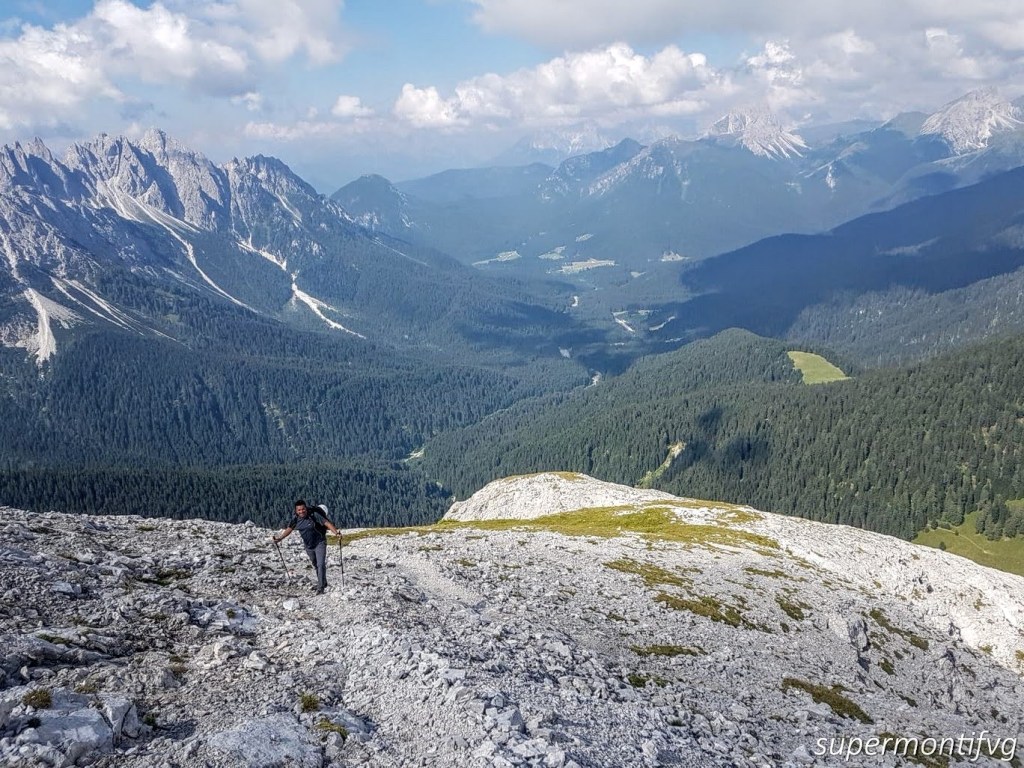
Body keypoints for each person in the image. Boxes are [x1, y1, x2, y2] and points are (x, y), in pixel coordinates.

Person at [272, 499, 340, 594]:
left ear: (306, 508)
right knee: (316, 564)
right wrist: (280, 538)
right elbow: (289, 529)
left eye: (303, 509)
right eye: (299, 510)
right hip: (308, 546)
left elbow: (327, 523)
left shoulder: (314, 515)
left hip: (320, 542)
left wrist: (336, 533)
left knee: (320, 564)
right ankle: (323, 582)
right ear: (296, 511)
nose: (301, 511)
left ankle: (320, 588)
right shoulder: (296, 519)